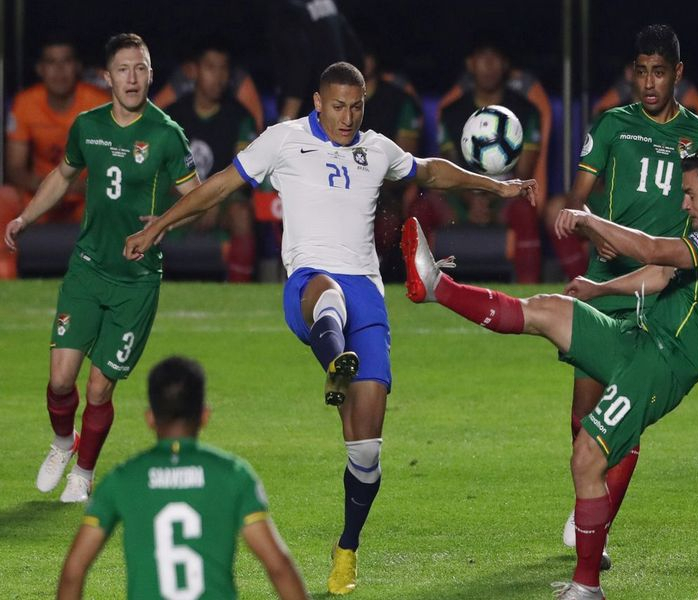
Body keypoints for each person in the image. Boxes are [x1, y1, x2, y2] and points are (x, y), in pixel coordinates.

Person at [124, 61, 534, 595]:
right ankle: (335, 361)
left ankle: (347, 548)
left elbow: (430, 170)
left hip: (368, 296)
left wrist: (495, 187)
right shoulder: (283, 141)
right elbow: (221, 186)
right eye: (337, 106)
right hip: (308, 285)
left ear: (365, 104)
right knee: (329, 298)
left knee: (365, 453)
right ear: (317, 102)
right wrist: (159, 225)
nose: (347, 116)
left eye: (356, 106)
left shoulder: (378, 149)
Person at [402, 143, 698, 599]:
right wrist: (598, 288)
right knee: (550, 309)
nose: (684, 203)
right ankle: (436, 287)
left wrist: (588, 220)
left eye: (690, 193)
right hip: (639, 339)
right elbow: (660, 273)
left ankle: (587, 587)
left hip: (661, 367)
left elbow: (649, 247)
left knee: (587, 456)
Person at [540, 24, 698, 564]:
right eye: (641, 71)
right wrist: (580, 221)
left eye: (659, 72)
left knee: (629, 413)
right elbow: (578, 197)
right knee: (583, 409)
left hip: (664, 290)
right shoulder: (613, 125)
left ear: (677, 74)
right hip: (606, 281)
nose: (649, 82)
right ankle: (586, 499)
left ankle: (595, 526)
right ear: (631, 72)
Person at [4, 33, 200, 503]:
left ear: (151, 74)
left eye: (141, 68)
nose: (133, 78)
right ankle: (61, 443)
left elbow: (199, 197)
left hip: (136, 282)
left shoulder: (165, 133)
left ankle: (85, 472)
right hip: (88, 269)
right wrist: (25, 217)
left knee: (97, 387)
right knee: (59, 379)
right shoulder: (87, 126)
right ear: (107, 77)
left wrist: (163, 226)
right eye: (123, 69)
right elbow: (63, 175)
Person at [57, 355, 310, 600]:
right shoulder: (234, 475)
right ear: (204, 415)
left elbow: (74, 570)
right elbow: (278, 566)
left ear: (150, 418)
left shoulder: (122, 480)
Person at [432, 35, 543, 282]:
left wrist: (493, 195)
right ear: (470, 64)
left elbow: (524, 171)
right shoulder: (451, 113)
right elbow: (447, 167)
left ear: (505, 65)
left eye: (495, 59)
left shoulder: (526, 111)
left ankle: (530, 292)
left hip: (507, 197)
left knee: (525, 211)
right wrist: (471, 198)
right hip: (462, 196)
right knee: (423, 207)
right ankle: (418, 288)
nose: (489, 66)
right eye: (482, 58)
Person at [1, 38, 109, 278]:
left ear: (78, 67)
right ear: (40, 69)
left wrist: (72, 188)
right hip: (40, 194)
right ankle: (4, 273)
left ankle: (112, 281)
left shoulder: (98, 103)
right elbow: (15, 168)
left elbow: (113, 165)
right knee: (5, 197)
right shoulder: (25, 103)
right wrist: (48, 190)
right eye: (51, 62)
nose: (59, 70)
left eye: (66, 61)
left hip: (87, 196)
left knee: (119, 200)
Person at [165, 41, 259, 282]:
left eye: (223, 69)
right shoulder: (171, 116)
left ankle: (240, 295)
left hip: (221, 203)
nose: (218, 77)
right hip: (176, 200)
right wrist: (195, 200)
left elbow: (245, 173)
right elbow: (157, 172)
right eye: (210, 68)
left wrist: (211, 200)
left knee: (241, 213)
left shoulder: (239, 116)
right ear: (194, 71)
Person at [360, 47, 424, 281]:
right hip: (339, 185)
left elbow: (404, 165)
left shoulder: (398, 100)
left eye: (364, 53)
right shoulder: (330, 103)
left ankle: (383, 276)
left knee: (388, 220)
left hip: (384, 191)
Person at [268, 0, 363, 122]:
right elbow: (355, 52)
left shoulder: (289, 9)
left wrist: (285, 122)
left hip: (311, 113)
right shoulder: (328, 4)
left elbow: (298, 65)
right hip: (341, 101)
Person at [592, 61, 698, 119]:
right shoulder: (625, 88)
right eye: (642, 72)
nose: (649, 82)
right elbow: (600, 112)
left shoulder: (679, 87)